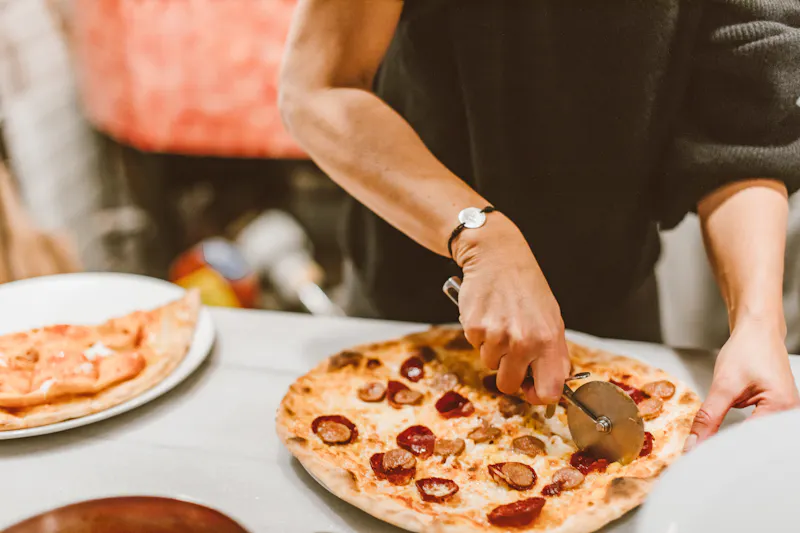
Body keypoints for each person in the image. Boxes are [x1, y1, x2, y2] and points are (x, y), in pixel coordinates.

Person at [278, 0, 800, 450]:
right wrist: (481, 237)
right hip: (413, 297)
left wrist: (757, 322)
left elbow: (743, 122)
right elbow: (320, 88)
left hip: (613, 296)